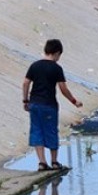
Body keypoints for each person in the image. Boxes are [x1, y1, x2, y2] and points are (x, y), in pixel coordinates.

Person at [22, 39, 83, 171]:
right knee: (51, 131)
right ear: (56, 53)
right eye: (59, 55)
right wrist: (74, 101)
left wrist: (25, 100)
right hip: (49, 105)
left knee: (37, 130)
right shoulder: (56, 68)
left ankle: (42, 163)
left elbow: (26, 83)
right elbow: (63, 88)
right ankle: (54, 161)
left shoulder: (35, 65)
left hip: (34, 104)